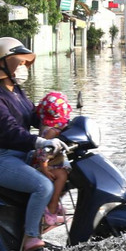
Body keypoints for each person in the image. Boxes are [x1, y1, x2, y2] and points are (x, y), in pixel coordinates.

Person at [0, 37, 67, 251]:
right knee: (42, 186)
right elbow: (9, 130)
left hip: (21, 155)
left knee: (63, 170)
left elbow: (33, 116)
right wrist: (40, 141)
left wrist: (60, 124)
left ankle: (46, 214)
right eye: (20, 63)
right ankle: (30, 237)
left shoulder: (16, 91)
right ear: (4, 64)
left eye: (26, 64)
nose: (24, 68)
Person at [32, 92, 72, 229]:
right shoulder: (51, 131)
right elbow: (44, 150)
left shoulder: (47, 126)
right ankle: (52, 206)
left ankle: (55, 201)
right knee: (62, 175)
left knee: (70, 171)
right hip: (45, 165)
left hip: (52, 163)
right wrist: (44, 167)